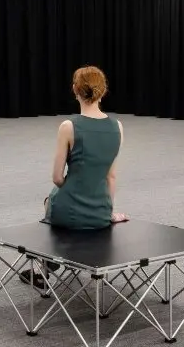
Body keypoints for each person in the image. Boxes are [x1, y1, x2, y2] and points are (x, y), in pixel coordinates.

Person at [43, 66, 128, 229]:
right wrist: (109, 213)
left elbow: (57, 178)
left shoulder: (68, 126)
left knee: (48, 201)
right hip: (100, 215)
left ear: (75, 90)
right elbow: (111, 177)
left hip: (67, 212)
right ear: (103, 92)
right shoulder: (118, 127)